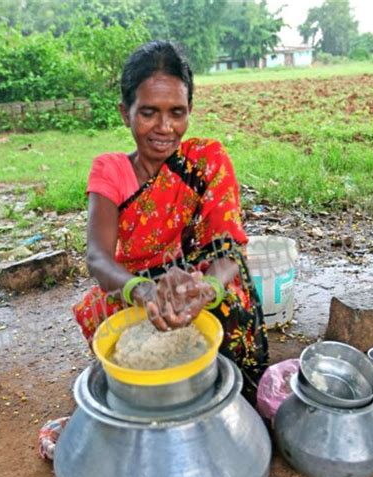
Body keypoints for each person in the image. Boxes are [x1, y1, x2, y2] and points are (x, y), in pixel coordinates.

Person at [73, 40, 268, 404]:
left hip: (194, 280)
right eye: (148, 112)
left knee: (228, 299)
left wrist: (206, 288)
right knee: (110, 321)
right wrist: (145, 291)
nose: (164, 128)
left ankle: (237, 393)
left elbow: (230, 248)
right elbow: (98, 260)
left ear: (189, 110)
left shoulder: (205, 160)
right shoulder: (110, 169)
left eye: (176, 112)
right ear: (124, 112)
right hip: (134, 286)